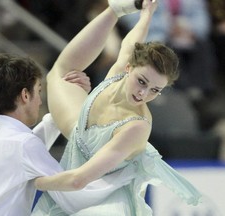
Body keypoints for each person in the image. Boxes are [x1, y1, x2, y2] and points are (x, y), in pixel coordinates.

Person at [32, 0, 201, 215]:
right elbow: (133, 39)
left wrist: (31, 180)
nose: (144, 94)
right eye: (142, 81)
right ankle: (114, 8)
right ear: (129, 67)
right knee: (59, 73)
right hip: (79, 136)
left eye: (155, 90)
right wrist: (146, 14)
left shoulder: (137, 127)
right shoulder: (119, 71)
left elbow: (78, 181)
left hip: (99, 194)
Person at [0, 54, 136, 216]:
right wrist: (127, 173)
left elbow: (26, 150)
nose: (40, 101)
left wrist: (69, 100)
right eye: (39, 91)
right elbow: (74, 194)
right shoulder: (23, 145)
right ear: (25, 95)